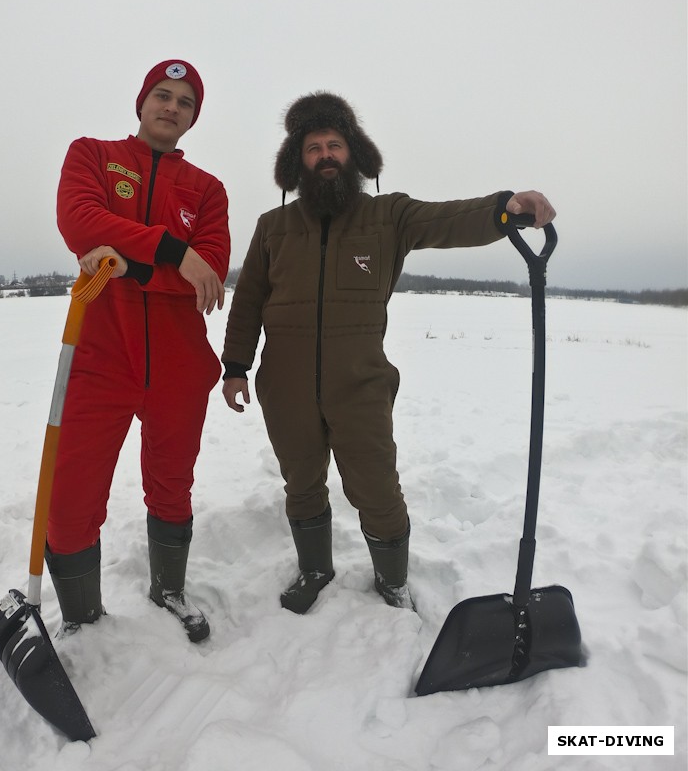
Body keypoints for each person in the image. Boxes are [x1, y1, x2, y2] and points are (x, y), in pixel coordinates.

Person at [221, 91, 555, 615]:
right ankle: (315, 568)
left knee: (376, 485)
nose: (325, 155)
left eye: (334, 144)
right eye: (313, 148)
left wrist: (503, 209)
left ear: (354, 154)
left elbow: (449, 219)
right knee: (301, 483)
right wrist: (236, 366)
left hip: (360, 382)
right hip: (284, 384)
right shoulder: (273, 227)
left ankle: (392, 580)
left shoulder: (389, 216)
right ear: (297, 160)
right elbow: (248, 301)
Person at [47, 59, 230, 643]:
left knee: (172, 484)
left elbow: (212, 275)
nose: (171, 107)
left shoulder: (208, 190)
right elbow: (80, 223)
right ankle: (81, 616)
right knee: (71, 493)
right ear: (142, 101)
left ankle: (168, 588)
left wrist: (131, 264)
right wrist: (175, 252)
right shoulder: (92, 156)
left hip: (179, 365)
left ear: (193, 117)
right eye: (162, 94)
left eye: (185, 101)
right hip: (101, 357)